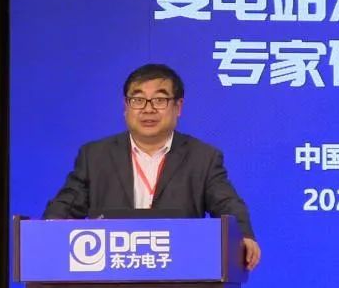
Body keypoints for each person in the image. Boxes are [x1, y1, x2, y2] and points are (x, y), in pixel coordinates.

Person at [43, 64, 261, 270]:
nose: (148, 109)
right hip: (111, 275)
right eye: (138, 100)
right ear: (125, 106)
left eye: (159, 100)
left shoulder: (202, 157)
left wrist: (242, 235)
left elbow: (227, 203)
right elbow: (66, 205)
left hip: (179, 275)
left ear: (178, 107)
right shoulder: (95, 156)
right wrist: (46, 232)